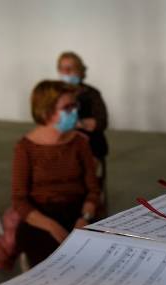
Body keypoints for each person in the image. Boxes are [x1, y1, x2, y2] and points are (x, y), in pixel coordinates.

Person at [12, 80, 101, 267]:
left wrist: (85, 218)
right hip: (41, 218)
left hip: (77, 213)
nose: (74, 111)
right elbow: (20, 200)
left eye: (74, 105)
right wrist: (52, 226)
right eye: (67, 107)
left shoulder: (80, 143)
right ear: (46, 111)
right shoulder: (25, 148)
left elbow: (93, 189)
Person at [57, 51, 109, 215]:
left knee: (88, 175)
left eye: (70, 68)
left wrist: (76, 124)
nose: (66, 73)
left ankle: (90, 207)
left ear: (80, 70)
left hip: (91, 144)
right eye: (63, 69)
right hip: (64, 143)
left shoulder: (91, 94)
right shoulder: (55, 93)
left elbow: (100, 122)